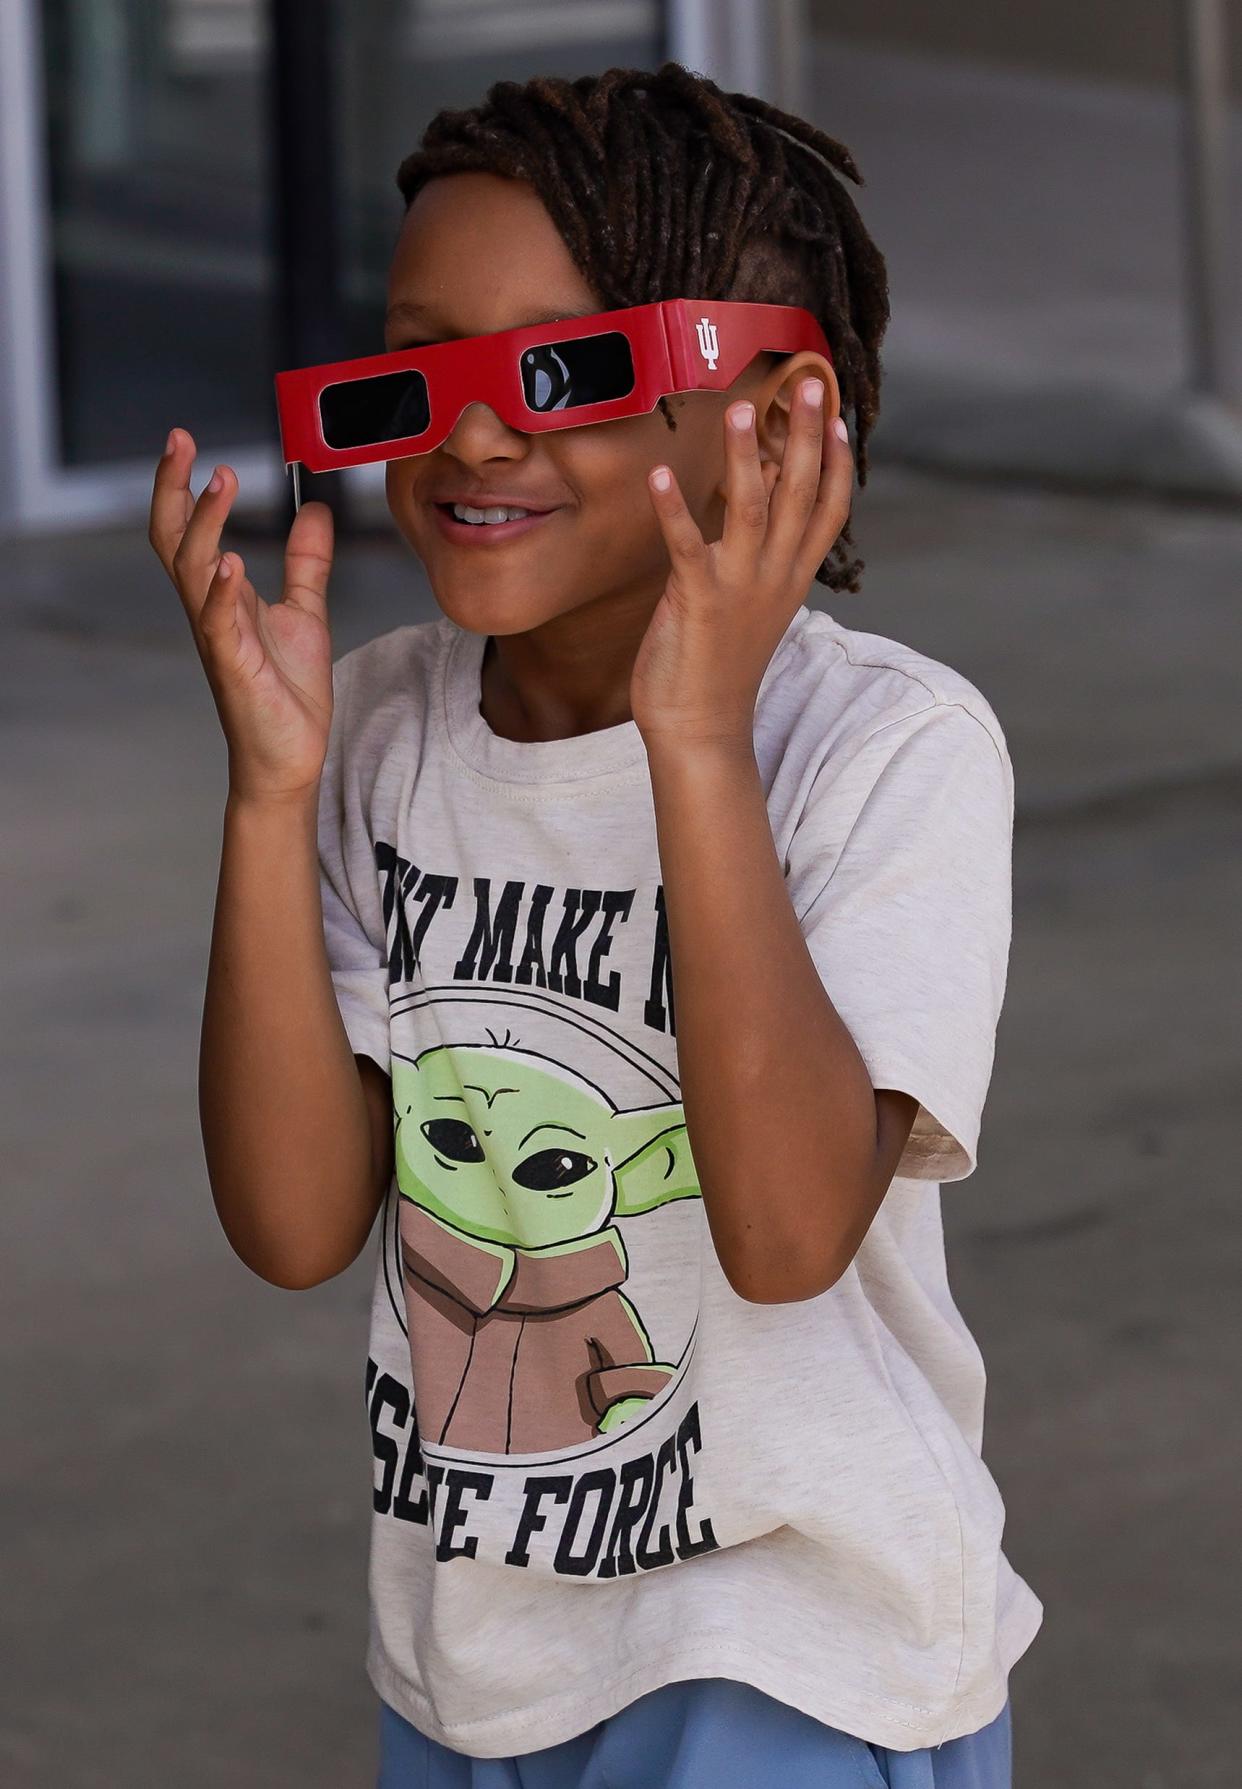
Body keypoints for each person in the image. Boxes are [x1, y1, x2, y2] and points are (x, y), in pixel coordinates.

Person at [148, 61, 1042, 1789]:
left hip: (794, 1659)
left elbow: (785, 1231)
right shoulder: (379, 735)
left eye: (562, 373)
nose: (472, 435)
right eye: (417, 373)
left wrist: (690, 741)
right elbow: (293, 1219)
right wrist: (270, 796)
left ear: (778, 419)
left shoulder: (885, 752)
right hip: (472, 1655)